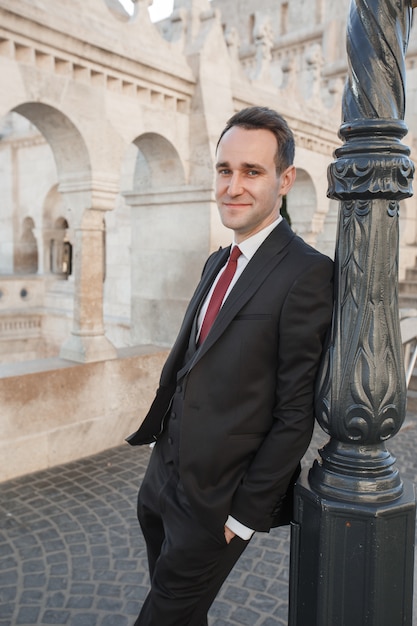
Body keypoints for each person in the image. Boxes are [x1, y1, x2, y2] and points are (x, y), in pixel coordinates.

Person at [126, 106, 334, 626]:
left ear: (284, 180)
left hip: (216, 505)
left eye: (251, 172)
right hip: (162, 484)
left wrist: (242, 517)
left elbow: (294, 413)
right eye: (224, 170)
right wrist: (159, 456)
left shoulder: (308, 274)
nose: (232, 186)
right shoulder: (218, 260)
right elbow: (191, 363)